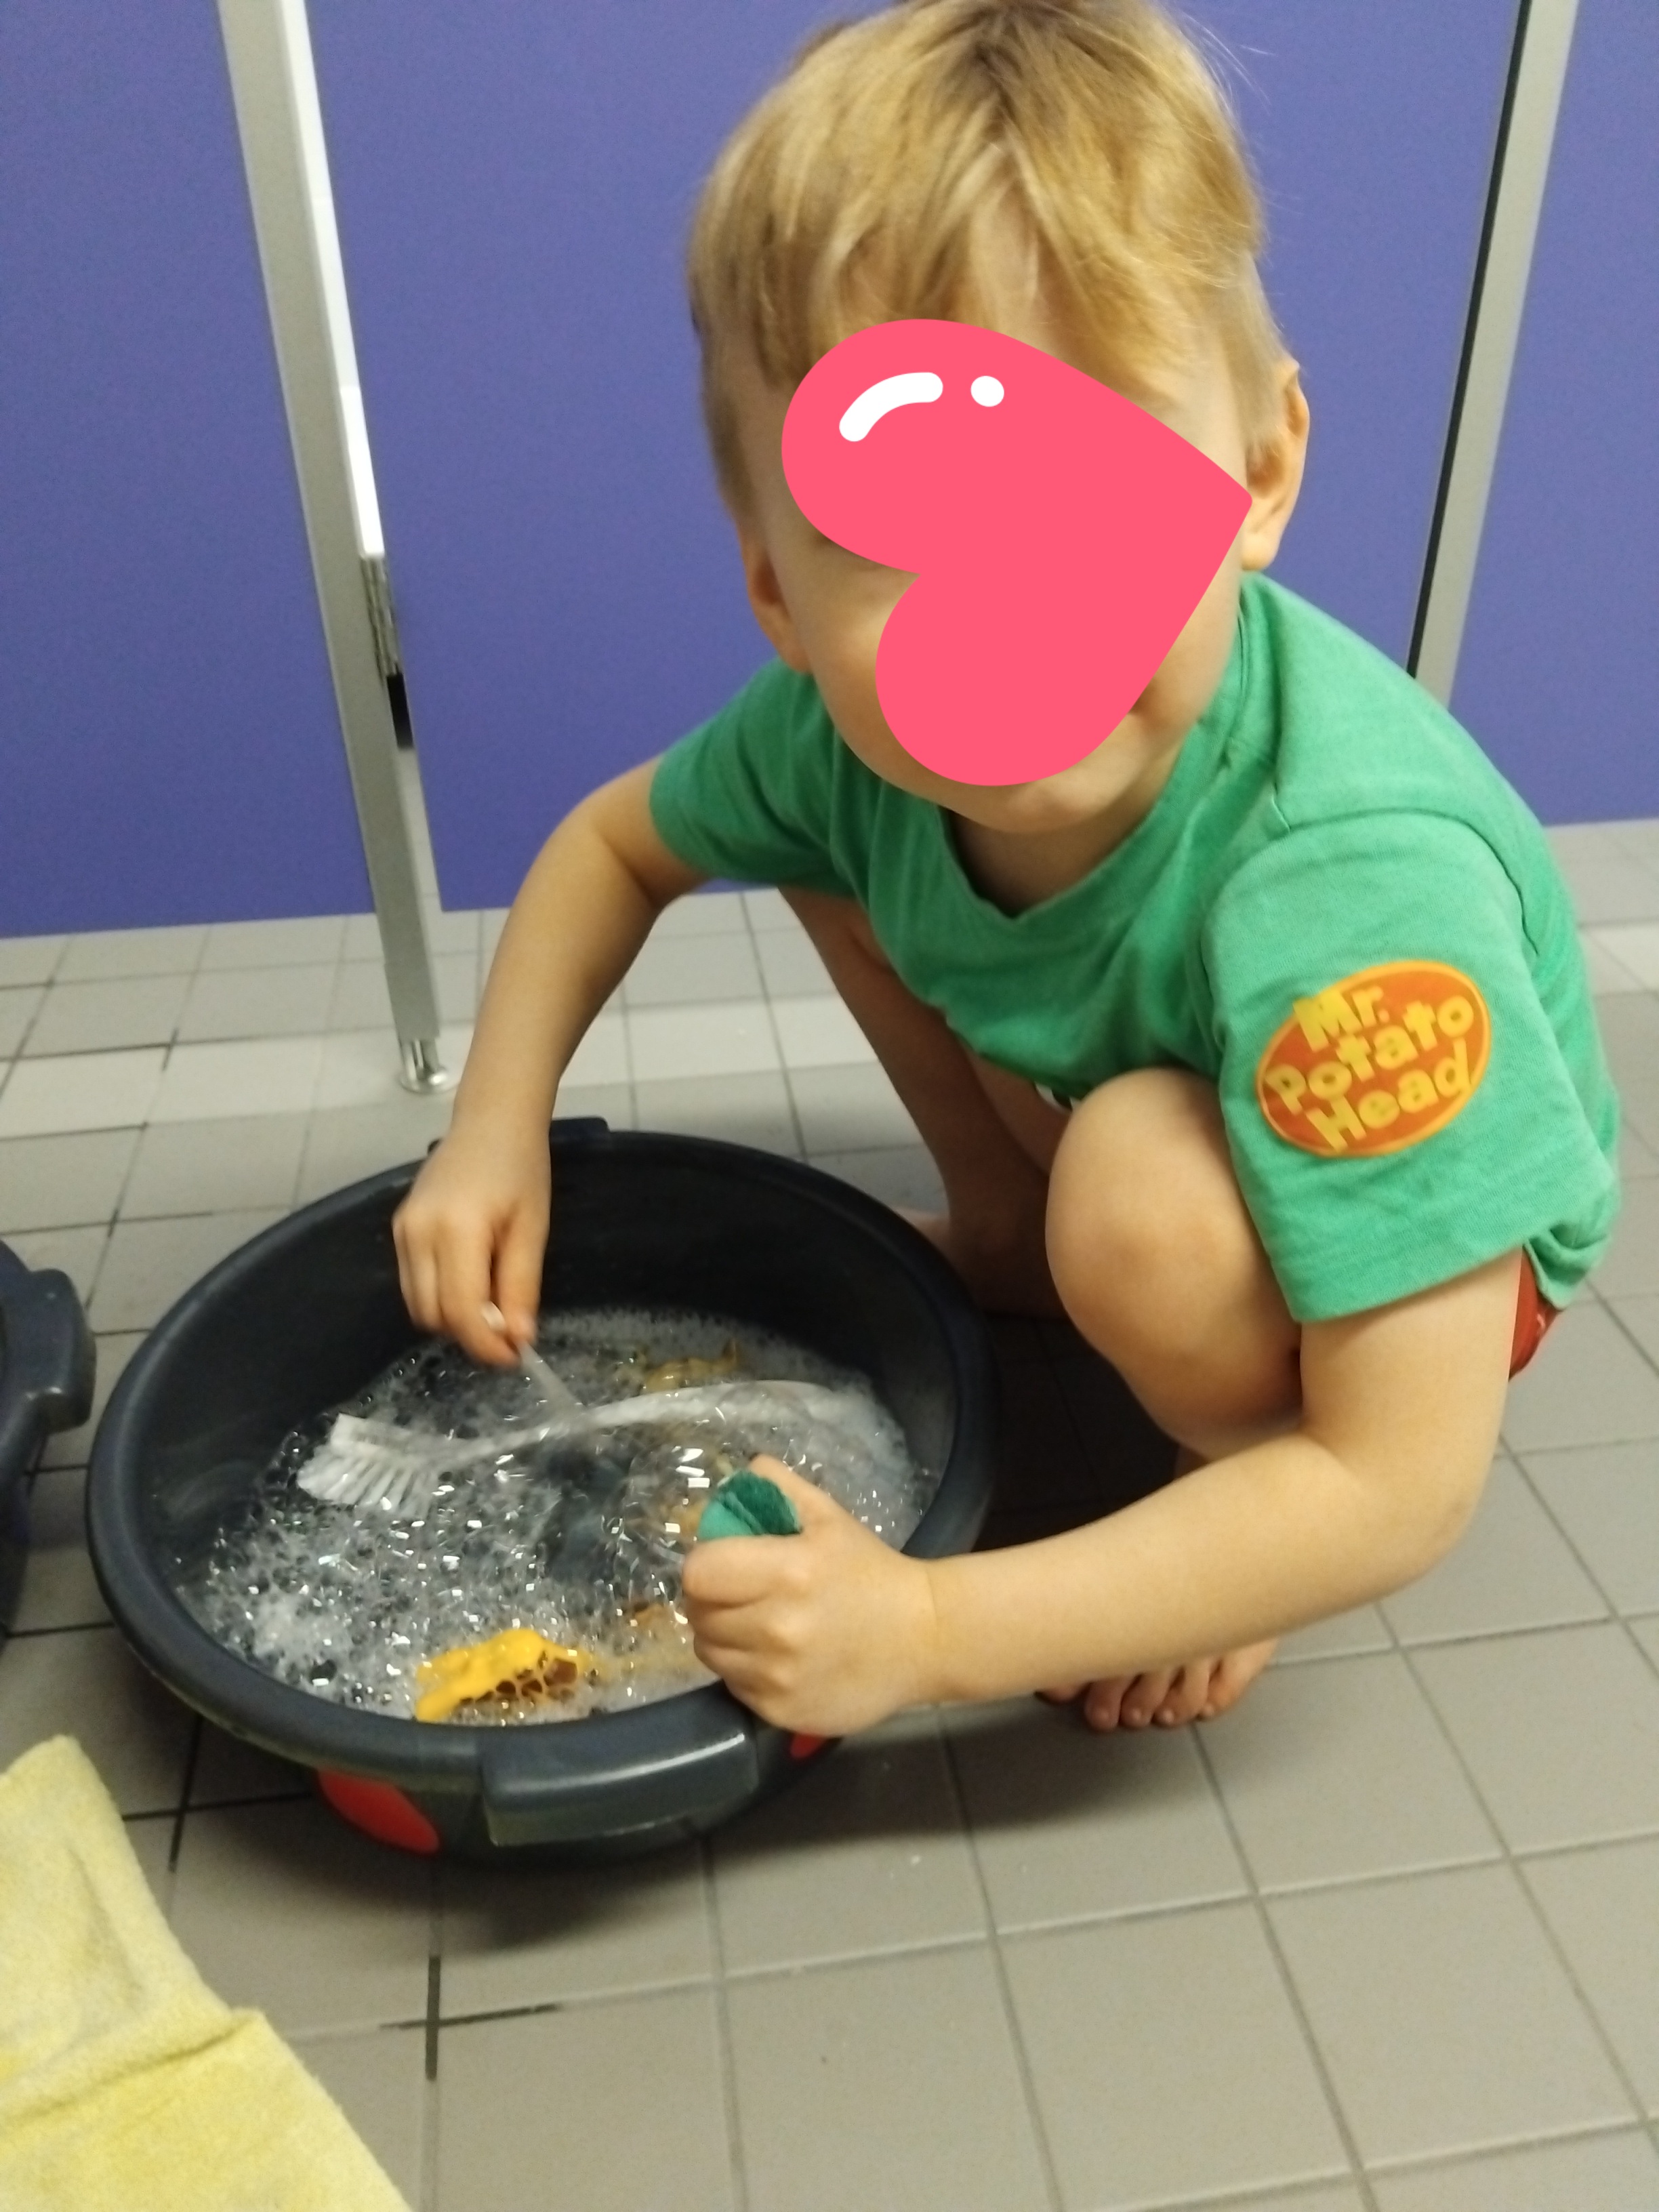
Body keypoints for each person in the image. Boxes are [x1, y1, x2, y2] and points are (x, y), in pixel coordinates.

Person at [392, 0, 1620, 1742]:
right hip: (1173, 1066)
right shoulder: (842, 736)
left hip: (1433, 1246)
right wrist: (491, 1126)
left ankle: (1234, 1474)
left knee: (1136, 1199)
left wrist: (925, 1627)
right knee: (827, 845)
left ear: (1259, 472)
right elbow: (615, 844)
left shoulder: (1353, 887)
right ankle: (1009, 1233)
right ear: (775, 590)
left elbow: (1407, 1480)